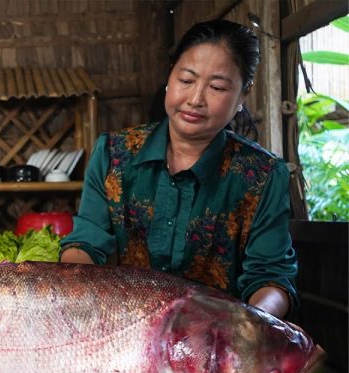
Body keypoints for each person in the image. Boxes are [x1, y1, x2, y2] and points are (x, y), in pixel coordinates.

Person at [59, 20, 297, 319]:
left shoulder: (262, 175)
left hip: (214, 341)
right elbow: (86, 243)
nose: (195, 99)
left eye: (217, 87)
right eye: (186, 80)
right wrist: (68, 282)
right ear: (170, 76)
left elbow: (270, 278)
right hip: (121, 331)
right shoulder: (113, 154)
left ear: (243, 95)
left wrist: (250, 324)